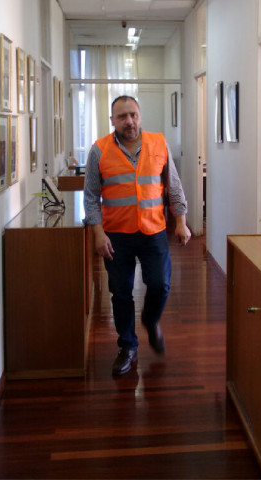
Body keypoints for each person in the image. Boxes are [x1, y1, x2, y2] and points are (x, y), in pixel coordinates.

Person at [84, 95, 191, 375]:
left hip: (154, 231)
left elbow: (174, 186)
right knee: (120, 293)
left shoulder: (158, 143)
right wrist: (97, 233)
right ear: (113, 121)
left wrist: (181, 221)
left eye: (133, 115)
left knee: (160, 285)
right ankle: (127, 346)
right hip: (115, 235)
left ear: (140, 116)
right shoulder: (99, 150)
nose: (129, 121)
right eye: (122, 116)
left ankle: (151, 320)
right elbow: (91, 197)